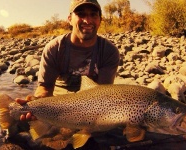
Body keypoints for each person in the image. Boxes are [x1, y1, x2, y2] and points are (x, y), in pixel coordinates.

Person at [16, 0, 120, 149]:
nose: (88, 20)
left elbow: (102, 96)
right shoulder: (55, 48)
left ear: (100, 20)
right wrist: (35, 106)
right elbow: (45, 87)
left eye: (93, 15)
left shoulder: (109, 51)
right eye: (81, 14)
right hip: (57, 108)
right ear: (70, 19)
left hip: (93, 109)